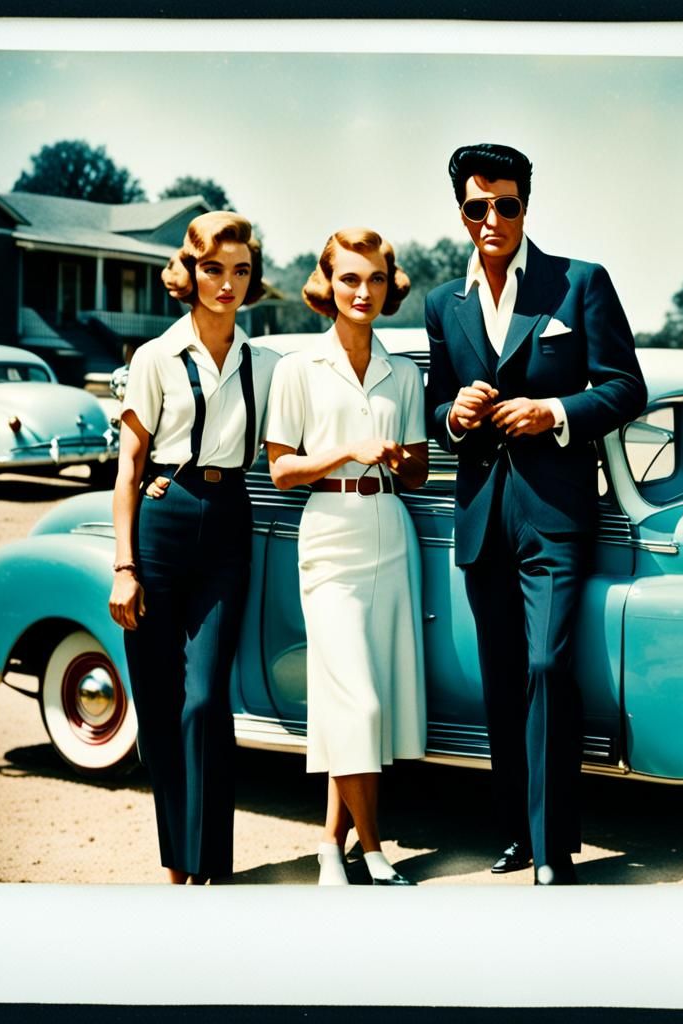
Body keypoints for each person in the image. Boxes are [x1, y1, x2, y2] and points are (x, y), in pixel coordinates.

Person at [425, 143, 647, 885]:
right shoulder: (442, 304)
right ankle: (516, 835)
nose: (492, 219)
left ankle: (553, 851)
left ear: (525, 205)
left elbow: (625, 387)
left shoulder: (579, 283)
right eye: (477, 207)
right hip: (481, 516)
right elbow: (436, 411)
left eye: (506, 205)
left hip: (554, 514)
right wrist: (454, 415)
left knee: (548, 667)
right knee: (500, 678)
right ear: (461, 213)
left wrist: (553, 412)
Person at [108, 211, 277, 884]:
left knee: (206, 700)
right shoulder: (155, 357)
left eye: (240, 271)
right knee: (158, 701)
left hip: (229, 522)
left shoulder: (267, 365)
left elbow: (294, 443)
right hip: (161, 521)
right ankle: (180, 869)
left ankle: (211, 866)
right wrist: (125, 567)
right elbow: (129, 466)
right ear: (190, 272)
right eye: (213, 269)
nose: (227, 283)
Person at [264, 228, 428, 886]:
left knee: (363, 703)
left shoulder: (405, 373)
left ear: (390, 287)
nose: (364, 291)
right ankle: (376, 852)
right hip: (330, 536)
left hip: (390, 532)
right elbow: (281, 471)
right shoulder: (297, 369)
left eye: (376, 279)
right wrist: (347, 452)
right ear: (327, 285)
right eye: (350, 278)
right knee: (357, 702)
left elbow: (418, 470)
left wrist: (397, 456)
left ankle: (331, 845)